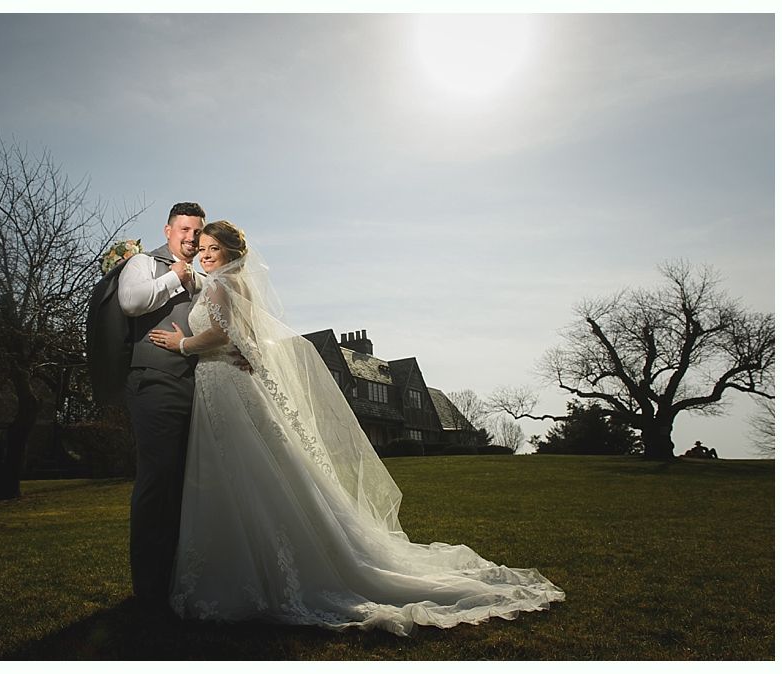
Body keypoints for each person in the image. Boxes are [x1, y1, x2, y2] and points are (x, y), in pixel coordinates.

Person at [148, 221, 565, 636]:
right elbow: (244, 336)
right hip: (229, 383)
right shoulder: (236, 285)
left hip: (223, 382)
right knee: (251, 467)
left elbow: (221, 335)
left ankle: (258, 573)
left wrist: (181, 343)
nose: (205, 255)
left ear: (230, 252)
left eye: (213, 248)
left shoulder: (221, 286)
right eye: (202, 248)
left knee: (240, 469)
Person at [117, 201, 206, 612]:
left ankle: (179, 580)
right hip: (153, 382)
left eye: (196, 231)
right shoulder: (143, 263)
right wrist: (174, 278)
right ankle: (150, 589)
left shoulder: (205, 277)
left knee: (189, 484)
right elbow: (131, 302)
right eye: (183, 229)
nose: (191, 237)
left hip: (198, 388)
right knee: (158, 481)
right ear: (168, 230)